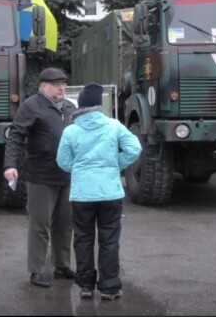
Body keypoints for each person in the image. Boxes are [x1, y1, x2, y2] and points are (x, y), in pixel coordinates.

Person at [56, 83, 142, 301]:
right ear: (98, 105)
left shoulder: (70, 131)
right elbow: (134, 148)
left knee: (83, 239)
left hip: (82, 194)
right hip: (110, 193)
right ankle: (110, 288)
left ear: (81, 105)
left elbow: (62, 161)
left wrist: (79, 169)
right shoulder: (114, 126)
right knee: (109, 241)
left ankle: (85, 286)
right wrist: (116, 164)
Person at [3, 67, 77, 288]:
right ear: (44, 86)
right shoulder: (32, 106)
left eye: (63, 84)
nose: (61, 88)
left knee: (64, 224)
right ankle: (36, 270)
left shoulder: (71, 108)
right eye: (57, 84)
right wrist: (10, 165)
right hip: (41, 176)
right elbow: (15, 136)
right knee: (40, 225)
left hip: (67, 176)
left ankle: (62, 266)